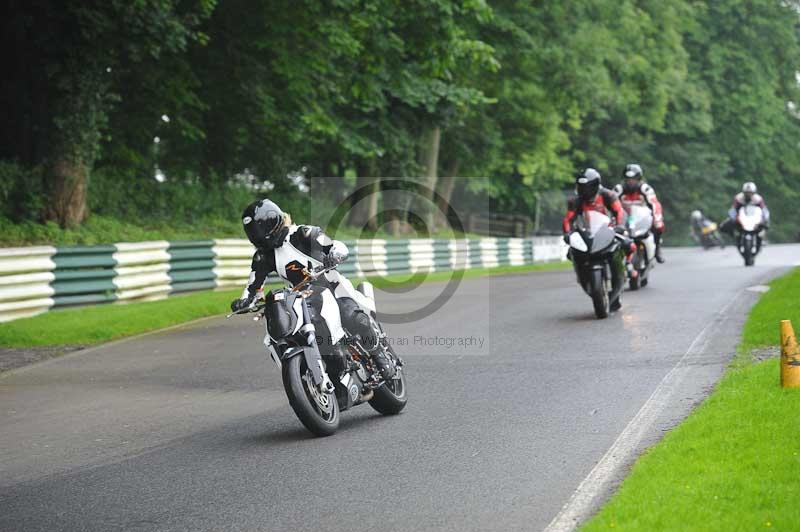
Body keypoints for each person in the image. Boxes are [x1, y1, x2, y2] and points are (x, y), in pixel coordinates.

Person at [230, 199, 394, 379]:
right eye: (253, 232)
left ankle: (379, 355)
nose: (258, 235)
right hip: (304, 296)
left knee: (352, 316)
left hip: (331, 284)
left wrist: (333, 254)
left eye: (260, 229)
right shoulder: (263, 256)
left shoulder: (304, 234)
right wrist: (244, 301)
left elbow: (334, 245)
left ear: (273, 221)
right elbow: (253, 286)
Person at [562, 168, 629, 310]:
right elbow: (568, 219)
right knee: (571, 253)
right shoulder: (575, 200)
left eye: (588, 187)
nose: (585, 191)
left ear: (596, 185)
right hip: (586, 234)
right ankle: (583, 278)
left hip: (606, 231)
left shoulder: (608, 195)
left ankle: (625, 269)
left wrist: (620, 226)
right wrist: (568, 233)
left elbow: (619, 211)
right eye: (582, 187)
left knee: (626, 244)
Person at [613, 164, 666, 263]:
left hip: (642, 219)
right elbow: (609, 205)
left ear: (639, 179)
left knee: (659, 226)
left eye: (634, 179)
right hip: (624, 219)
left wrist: (657, 218)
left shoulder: (645, 189)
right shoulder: (618, 189)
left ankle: (657, 247)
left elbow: (655, 204)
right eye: (628, 179)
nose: (630, 182)